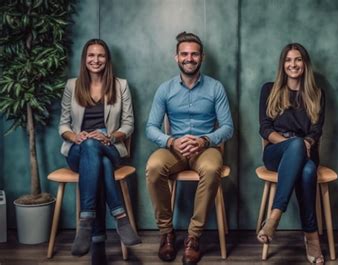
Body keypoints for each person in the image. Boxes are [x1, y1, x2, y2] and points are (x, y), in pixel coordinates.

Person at [145, 32, 233, 264]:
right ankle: (166, 233)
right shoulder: (165, 89)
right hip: (174, 149)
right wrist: (171, 141)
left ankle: (193, 238)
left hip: (205, 149)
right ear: (177, 58)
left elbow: (228, 127)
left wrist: (204, 140)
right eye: (184, 54)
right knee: (153, 166)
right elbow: (150, 128)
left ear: (201, 57)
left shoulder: (216, 88)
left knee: (213, 169)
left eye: (194, 54)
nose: (189, 58)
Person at [59, 39, 141, 265]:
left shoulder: (121, 85)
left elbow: (128, 124)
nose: (96, 60)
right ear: (85, 59)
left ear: (107, 60)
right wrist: (75, 136)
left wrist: (110, 136)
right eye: (91, 55)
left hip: (110, 147)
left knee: (98, 153)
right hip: (78, 149)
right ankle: (120, 218)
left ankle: (88, 227)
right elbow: (63, 125)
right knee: (93, 151)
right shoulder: (72, 86)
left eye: (101, 56)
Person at [257, 43, 325, 264]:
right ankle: (289, 221)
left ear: (304, 64)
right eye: (288, 60)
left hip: (306, 150)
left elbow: (316, 131)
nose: (293, 64)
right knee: (295, 146)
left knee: (307, 172)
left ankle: (289, 223)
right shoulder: (269, 89)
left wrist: (304, 142)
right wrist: (292, 143)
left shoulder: (316, 94)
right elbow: (265, 128)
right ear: (282, 64)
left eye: (297, 60)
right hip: (276, 151)